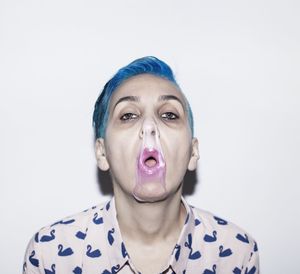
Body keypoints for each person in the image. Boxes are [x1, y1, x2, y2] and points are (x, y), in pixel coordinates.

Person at [23, 56, 259, 274]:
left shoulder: (236, 253)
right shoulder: (49, 253)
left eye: (168, 114)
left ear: (193, 152)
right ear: (102, 153)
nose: (149, 126)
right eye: (128, 116)